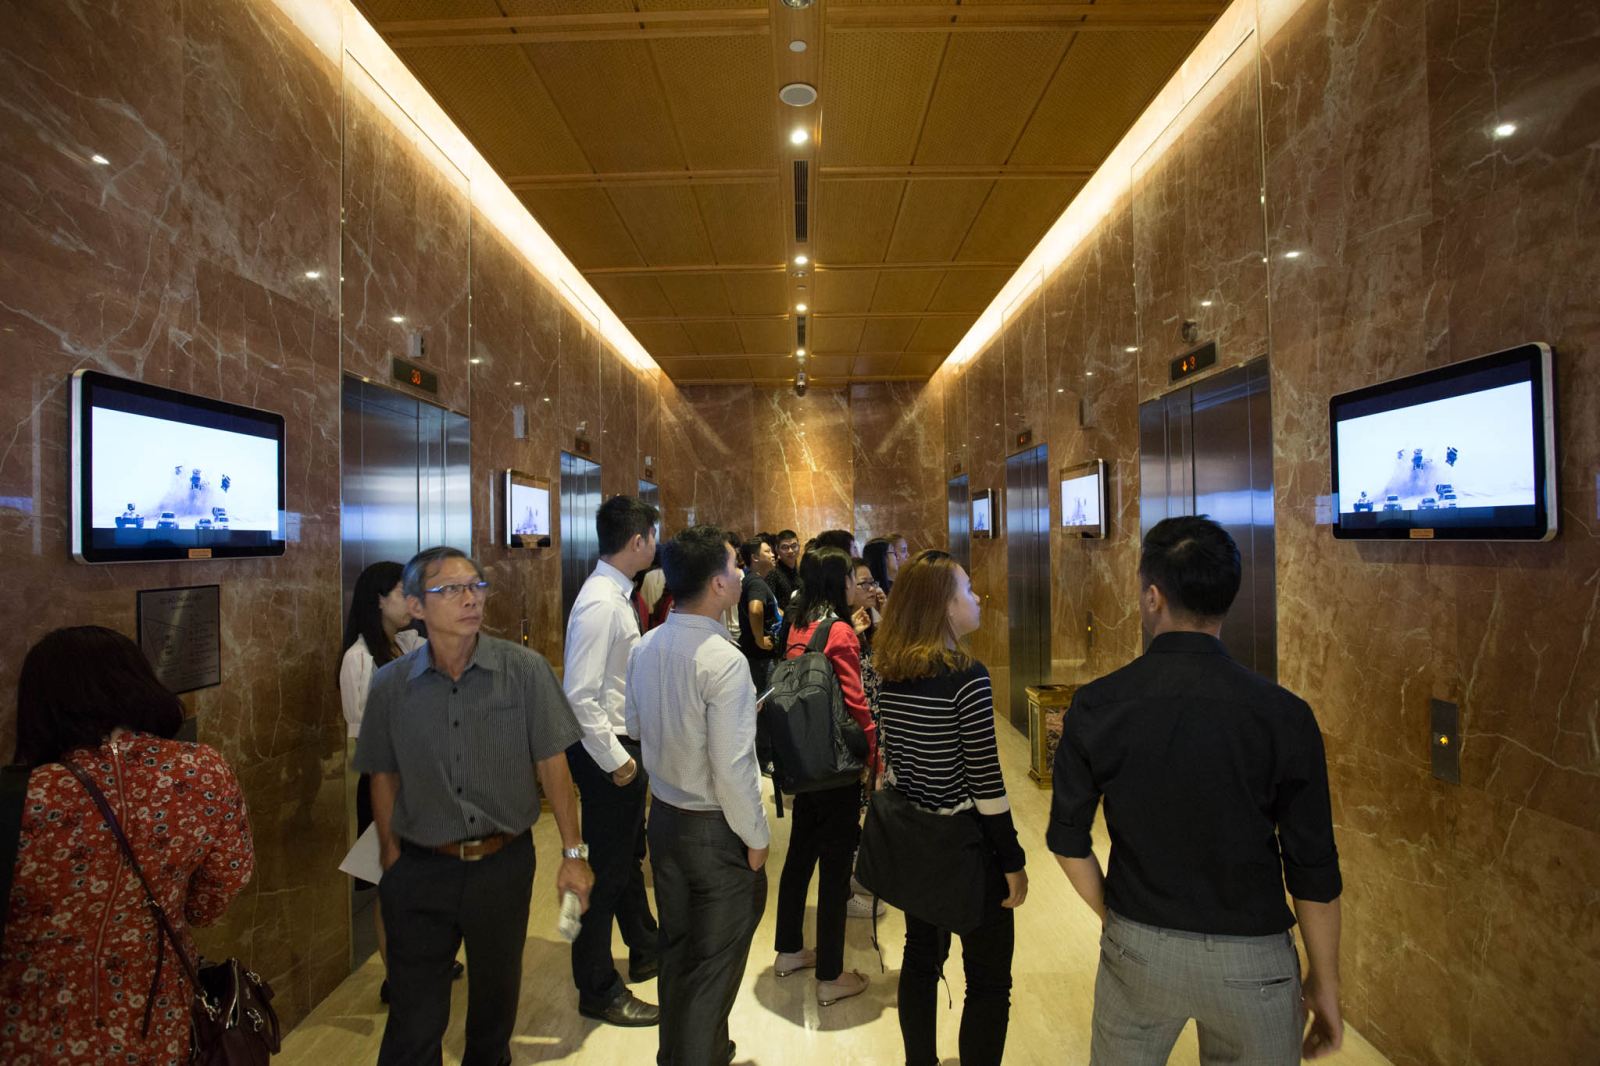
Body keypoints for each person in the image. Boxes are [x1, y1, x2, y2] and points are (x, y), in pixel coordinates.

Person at [1049, 515, 1344, 1063]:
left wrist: (1115, 919)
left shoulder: (1098, 705)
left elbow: (1067, 840)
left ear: (1153, 597)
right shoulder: (1285, 716)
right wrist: (1325, 981)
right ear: (1226, 598)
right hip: (1254, 960)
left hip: (1138, 944)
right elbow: (1313, 868)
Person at [354, 546, 595, 1066]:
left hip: (501, 865)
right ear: (416, 606)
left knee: (493, 1011)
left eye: (476, 586)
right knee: (413, 1023)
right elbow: (382, 773)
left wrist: (573, 855)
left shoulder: (524, 670)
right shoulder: (391, 685)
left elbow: (553, 764)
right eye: (451, 589)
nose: (470, 599)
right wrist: (392, 860)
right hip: (421, 866)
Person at [1, 626, 255, 1065]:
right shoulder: (202, 770)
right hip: (158, 1014)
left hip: (37, 1027)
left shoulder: (26, 797)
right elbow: (215, 896)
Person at [875, 550, 1027, 1066]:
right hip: (968, 847)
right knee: (988, 980)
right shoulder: (968, 677)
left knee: (921, 958)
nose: (978, 597)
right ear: (944, 605)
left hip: (916, 841)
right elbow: (985, 782)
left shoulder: (891, 670)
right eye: (967, 589)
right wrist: (1012, 859)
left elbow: (895, 765)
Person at [626, 526, 769, 1066]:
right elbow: (733, 770)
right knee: (712, 970)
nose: (740, 573)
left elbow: (634, 727)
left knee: (679, 951)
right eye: (734, 566)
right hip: (714, 830)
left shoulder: (646, 645)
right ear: (716, 584)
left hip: (664, 821)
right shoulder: (724, 660)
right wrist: (756, 838)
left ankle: (694, 1052)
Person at [562, 495, 662, 1027]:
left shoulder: (616, 593)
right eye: (653, 535)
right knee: (604, 873)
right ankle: (597, 987)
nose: (656, 544)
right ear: (637, 541)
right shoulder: (602, 602)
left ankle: (645, 947)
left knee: (623, 860)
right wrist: (616, 760)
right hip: (607, 749)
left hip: (619, 744)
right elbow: (579, 694)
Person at [772, 546, 878, 1006]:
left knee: (800, 855)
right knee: (836, 869)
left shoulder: (799, 624)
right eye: (852, 578)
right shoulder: (839, 631)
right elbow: (856, 702)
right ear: (839, 582)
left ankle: (789, 950)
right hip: (836, 767)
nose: (857, 585)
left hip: (803, 759)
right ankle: (831, 975)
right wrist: (874, 756)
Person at [339, 560, 436, 1001]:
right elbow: (363, 737)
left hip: (420, 781)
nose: (411, 600)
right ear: (379, 599)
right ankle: (397, 978)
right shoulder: (359, 660)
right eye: (403, 592)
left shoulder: (409, 644)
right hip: (387, 784)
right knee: (390, 887)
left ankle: (421, 962)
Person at [736, 537, 781, 693]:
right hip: (761, 658)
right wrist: (760, 640)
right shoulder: (756, 582)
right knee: (766, 700)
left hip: (758, 657)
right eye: (767, 552)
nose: (773, 555)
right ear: (755, 557)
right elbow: (755, 610)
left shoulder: (754, 580)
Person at [768, 528, 801, 610]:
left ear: (799, 546)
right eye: (785, 547)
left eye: (794, 546)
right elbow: (770, 603)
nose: (790, 551)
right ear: (777, 550)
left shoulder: (801, 571)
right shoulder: (772, 572)